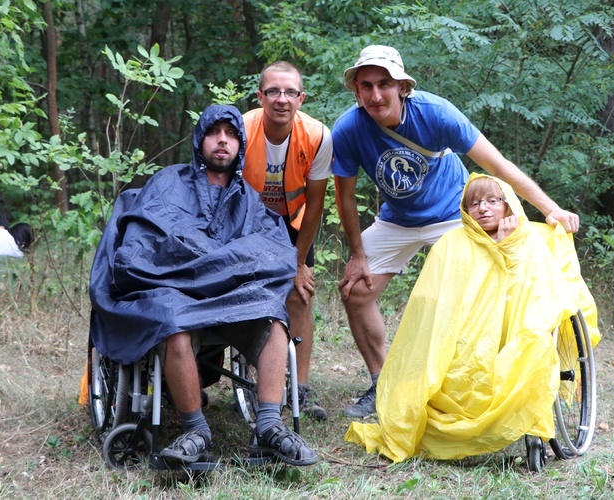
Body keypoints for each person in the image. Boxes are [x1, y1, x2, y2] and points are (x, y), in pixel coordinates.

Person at [332, 45, 581, 418]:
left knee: (465, 299)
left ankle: (467, 383)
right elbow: (345, 197)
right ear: (356, 91)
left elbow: (496, 164)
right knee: (354, 291)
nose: (375, 95)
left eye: (384, 84)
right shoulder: (349, 128)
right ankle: (383, 384)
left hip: (452, 214)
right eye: (365, 86)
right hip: (397, 219)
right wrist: (357, 254)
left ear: (402, 87)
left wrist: (550, 209)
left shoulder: (435, 113)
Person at [88, 105, 317, 467]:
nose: (222, 141)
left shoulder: (250, 199)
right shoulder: (168, 182)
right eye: (214, 133)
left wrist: (217, 264)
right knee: (171, 320)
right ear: (200, 140)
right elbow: (148, 242)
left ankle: (269, 427)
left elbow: (272, 251)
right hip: (177, 292)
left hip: (236, 298)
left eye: (231, 134)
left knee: (274, 317)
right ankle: (196, 431)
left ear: (241, 146)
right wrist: (219, 261)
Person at [345, 174, 600, 462]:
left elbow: (536, 292)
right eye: (474, 203)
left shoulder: (530, 239)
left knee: (528, 347)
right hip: (462, 337)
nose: (483, 208)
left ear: (508, 206)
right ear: (465, 211)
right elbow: (434, 300)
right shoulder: (452, 243)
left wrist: (506, 246)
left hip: (517, 331)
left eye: (492, 201)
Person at [242, 61, 333, 421]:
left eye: (290, 92)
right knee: (249, 291)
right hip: (246, 221)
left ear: (301, 97)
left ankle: (300, 387)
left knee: (300, 292)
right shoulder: (241, 129)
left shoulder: (318, 135)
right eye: (273, 92)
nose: (282, 99)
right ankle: (254, 382)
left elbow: (314, 205)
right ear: (260, 96)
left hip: (294, 221)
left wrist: (298, 263)